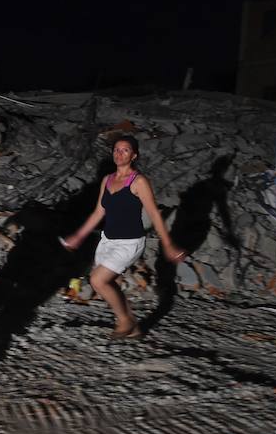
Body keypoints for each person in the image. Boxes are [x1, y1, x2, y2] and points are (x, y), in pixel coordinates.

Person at [62, 135, 186, 338]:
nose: (119, 153)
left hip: (129, 242)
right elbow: (99, 212)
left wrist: (169, 245)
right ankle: (134, 328)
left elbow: (154, 214)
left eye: (125, 150)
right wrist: (79, 236)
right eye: (116, 150)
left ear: (134, 155)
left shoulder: (138, 182)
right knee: (107, 283)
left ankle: (125, 320)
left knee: (98, 280)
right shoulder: (107, 180)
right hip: (107, 240)